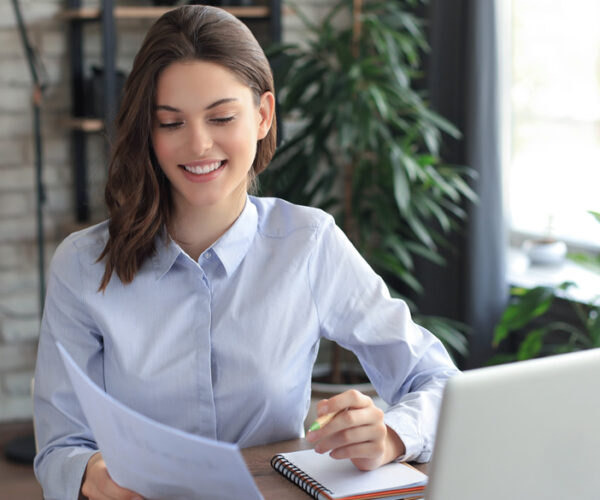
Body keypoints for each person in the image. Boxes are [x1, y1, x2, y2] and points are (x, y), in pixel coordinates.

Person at [33, 5, 459, 499]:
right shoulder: (83, 265)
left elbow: (439, 382)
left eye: (221, 117)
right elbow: (61, 445)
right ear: (147, 132)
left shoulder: (308, 242)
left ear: (262, 116)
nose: (198, 144)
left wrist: (388, 435)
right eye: (171, 123)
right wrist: (91, 476)